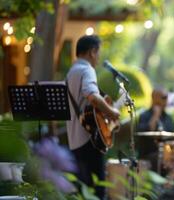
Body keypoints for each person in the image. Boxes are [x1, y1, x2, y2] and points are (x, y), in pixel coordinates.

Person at [66, 35, 120, 199]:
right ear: (91, 52)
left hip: (74, 139)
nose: (99, 58)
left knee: (83, 190)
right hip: (89, 139)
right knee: (97, 190)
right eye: (98, 53)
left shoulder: (72, 71)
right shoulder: (87, 70)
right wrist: (112, 113)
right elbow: (92, 96)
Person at [137, 87, 174, 172]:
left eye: (167, 97)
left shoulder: (168, 117)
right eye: (164, 97)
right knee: (159, 158)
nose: (166, 100)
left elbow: (173, 137)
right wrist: (155, 116)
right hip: (149, 155)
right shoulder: (144, 116)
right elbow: (147, 132)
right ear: (154, 98)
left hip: (166, 154)